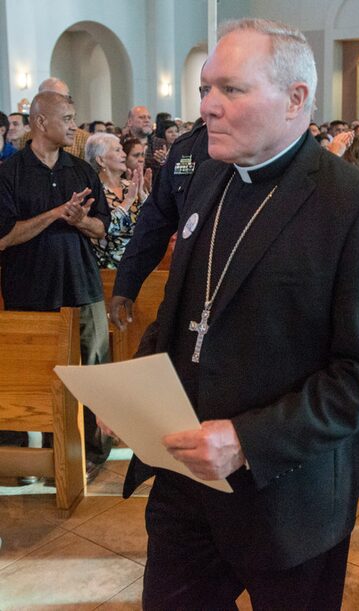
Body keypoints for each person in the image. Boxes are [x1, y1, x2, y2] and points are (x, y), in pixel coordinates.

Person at [117, 19, 359, 608]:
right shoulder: (205, 182)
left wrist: (247, 440)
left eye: (231, 89)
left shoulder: (356, 205)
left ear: (296, 98)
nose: (207, 108)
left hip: (290, 496)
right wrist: (134, 395)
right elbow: (183, 315)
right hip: (186, 484)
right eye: (204, 90)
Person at [0, 91, 112, 481]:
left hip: (83, 285)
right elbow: (4, 237)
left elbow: (102, 230)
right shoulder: (9, 174)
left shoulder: (81, 171)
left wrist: (80, 219)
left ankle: (94, 453)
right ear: (41, 123)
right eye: (66, 117)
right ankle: (39, 459)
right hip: (30, 293)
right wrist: (54, 214)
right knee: (39, 378)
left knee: (96, 371)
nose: (73, 125)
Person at [110, 121, 209, 326]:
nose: (209, 102)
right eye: (204, 91)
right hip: (190, 284)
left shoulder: (256, 145)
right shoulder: (186, 148)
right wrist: (127, 284)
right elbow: (155, 222)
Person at [85, 133, 145, 269]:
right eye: (117, 150)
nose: (124, 155)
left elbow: (150, 223)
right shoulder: (93, 191)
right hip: (108, 268)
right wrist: (127, 202)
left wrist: (143, 196)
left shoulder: (130, 186)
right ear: (100, 160)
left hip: (140, 264)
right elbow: (104, 229)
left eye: (122, 150)